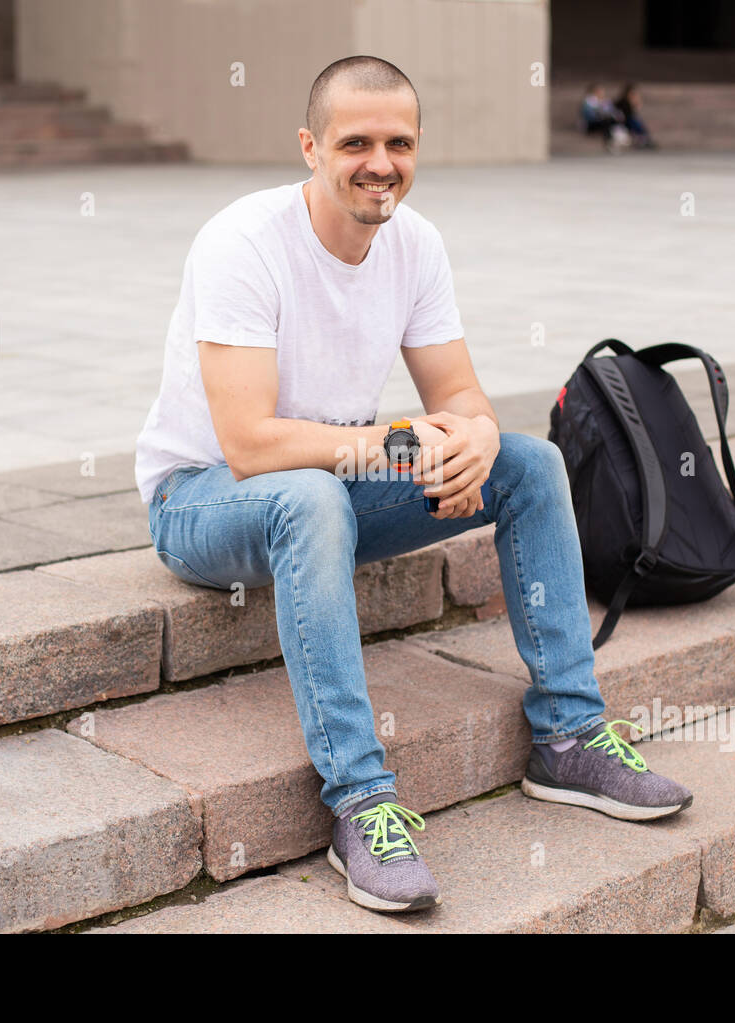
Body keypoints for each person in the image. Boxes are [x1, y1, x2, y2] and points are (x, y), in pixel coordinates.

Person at [135, 55, 692, 915]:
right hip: (204, 499)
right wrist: (395, 444)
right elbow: (248, 445)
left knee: (528, 461)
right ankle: (359, 799)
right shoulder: (243, 242)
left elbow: (459, 394)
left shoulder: (414, 241)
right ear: (310, 147)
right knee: (310, 496)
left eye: (399, 141)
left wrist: (467, 437)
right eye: (355, 141)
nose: (380, 162)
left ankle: (570, 734)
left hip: (335, 480)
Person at [614, 82, 657, 149]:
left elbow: (635, 109)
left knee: (639, 124)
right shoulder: (623, 101)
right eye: (632, 93)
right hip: (625, 120)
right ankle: (644, 141)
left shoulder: (629, 100)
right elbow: (622, 111)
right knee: (636, 123)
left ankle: (645, 141)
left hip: (630, 119)